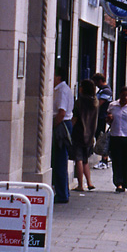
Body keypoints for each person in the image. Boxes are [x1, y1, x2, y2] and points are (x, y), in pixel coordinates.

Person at [70, 79, 99, 191]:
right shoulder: (95, 102)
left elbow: (75, 118)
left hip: (79, 133)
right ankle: (89, 182)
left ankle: (80, 185)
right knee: (85, 159)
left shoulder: (80, 102)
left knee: (79, 160)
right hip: (90, 134)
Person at [52, 67, 74, 202]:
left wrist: (52, 127)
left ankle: (62, 194)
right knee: (59, 159)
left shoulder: (61, 90)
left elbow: (61, 112)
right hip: (63, 123)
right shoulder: (60, 89)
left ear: (58, 77)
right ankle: (63, 191)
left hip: (61, 125)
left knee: (60, 160)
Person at [93, 72, 112, 169]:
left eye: (96, 82)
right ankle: (104, 158)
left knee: (101, 138)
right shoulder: (102, 90)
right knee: (99, 137)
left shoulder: (106, 91)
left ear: (100, 81)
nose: (95, 85)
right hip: (100, 117)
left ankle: (104, 159)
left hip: (102, 118)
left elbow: (98, 104)